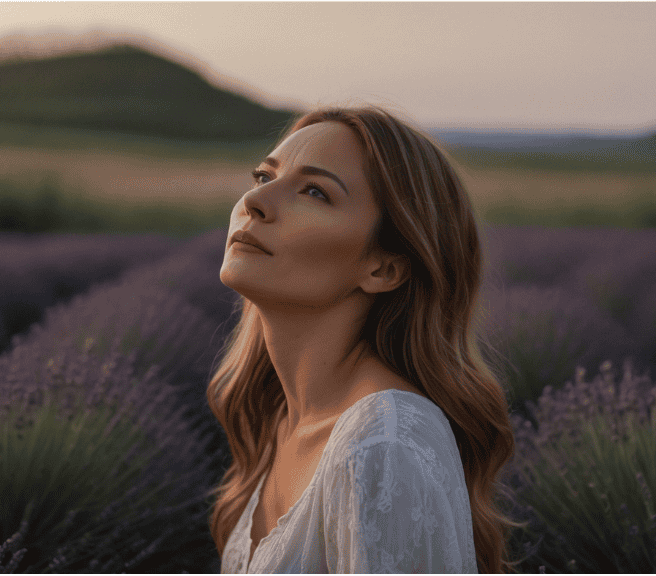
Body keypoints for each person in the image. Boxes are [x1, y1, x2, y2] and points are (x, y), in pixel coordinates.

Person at [206, 104, 524, 573]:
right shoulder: (285, 422)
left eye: (314, 191)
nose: (255, 202)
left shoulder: (382, 444)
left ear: (384, 268)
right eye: (262, 176)